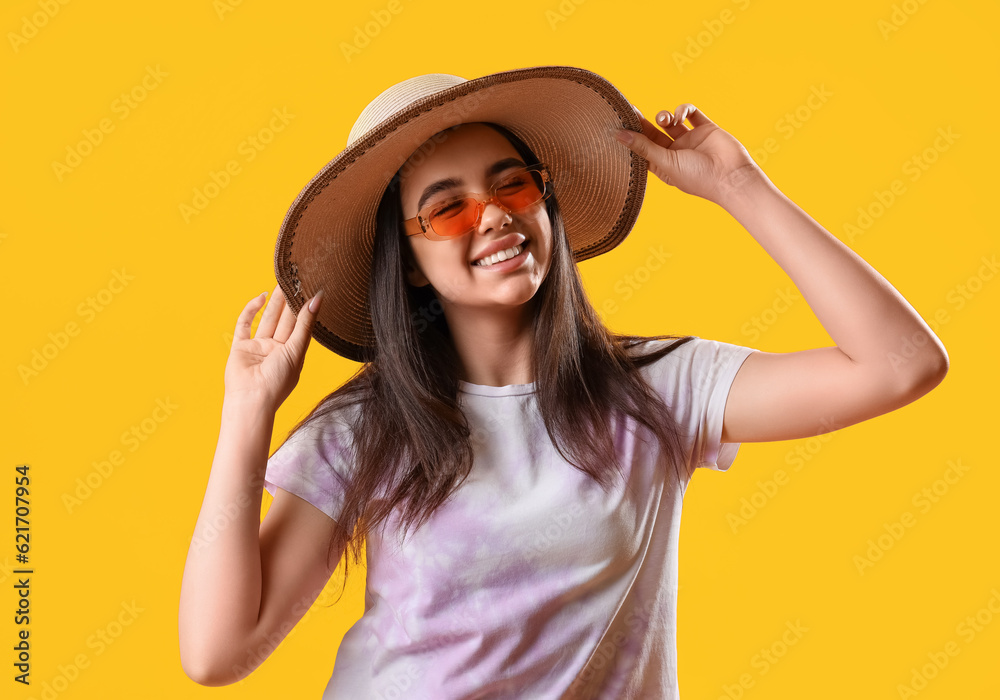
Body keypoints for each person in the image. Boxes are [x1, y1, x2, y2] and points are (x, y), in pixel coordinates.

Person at [178, 65, 948, 698]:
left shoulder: (657, 391)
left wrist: (741, 185)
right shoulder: (365, 429)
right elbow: (216, 652)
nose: (493, 217)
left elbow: (900, 364)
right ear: (409, 260)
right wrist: (247, 414)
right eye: (447, 209)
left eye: (513, 185)